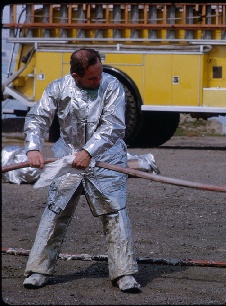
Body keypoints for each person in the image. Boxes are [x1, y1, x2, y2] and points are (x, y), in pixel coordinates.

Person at [22, 48, 141, 293]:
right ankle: (38, 270)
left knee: (115, 214)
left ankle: (124, 273)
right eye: (92, 78)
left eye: (100, 74)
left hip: (106, 158)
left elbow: (113, 124)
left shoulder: (112, 85)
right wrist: (33, 149)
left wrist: (88, 152)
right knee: (55, 212)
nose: (98, 80)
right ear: (76, 75)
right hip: (68, 159)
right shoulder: (58, 88)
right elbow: (38, 118)